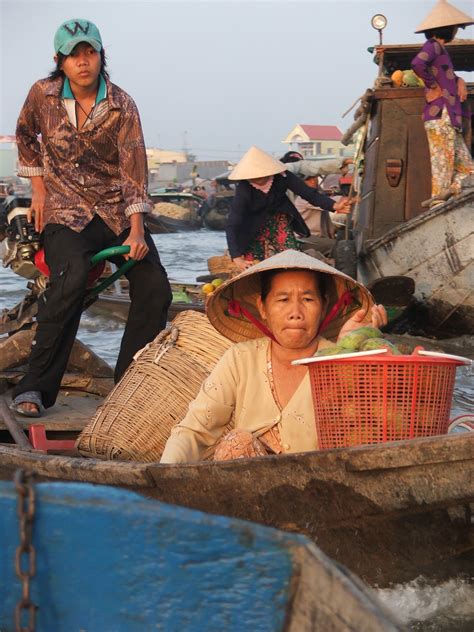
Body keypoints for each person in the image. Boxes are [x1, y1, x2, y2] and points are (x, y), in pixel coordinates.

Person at [11, 18, 172, 417]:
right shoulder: (42, 95)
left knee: (155, 287)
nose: (83, 61)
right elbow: (25, 135)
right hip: (65, 210)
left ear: (101, 56)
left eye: (90, 52)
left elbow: (134, 168)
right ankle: (35, 388)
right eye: (74, 55)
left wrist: (137, 231)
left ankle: (127, 387)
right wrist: (39, 190)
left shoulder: (122, 104)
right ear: (59, 60)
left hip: (117, 210)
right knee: (71, 279)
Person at [160, 249, 387, 464]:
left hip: (320, 486)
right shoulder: (240, 359)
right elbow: (195, 431)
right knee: (238, 443)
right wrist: (163, 476)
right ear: (263, 308)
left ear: (324, 306)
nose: (296, 313)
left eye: (308, 299)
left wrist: (352, 349)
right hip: (248, 489)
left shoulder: (339, 359)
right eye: (283, 300)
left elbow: (370, 429)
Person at [226, 146, 352, 272]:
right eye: (252, 177)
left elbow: (308, 193)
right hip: (252, 227)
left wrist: (333, 206)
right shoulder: (244, 188)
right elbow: (233, 222)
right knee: (255, 265)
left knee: (290, 258)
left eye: (260, 176)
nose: (257, 179)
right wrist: (236, 256)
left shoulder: (283, 176)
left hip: (279, 220)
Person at [411, 0, 474, 206]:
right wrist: (433, 85)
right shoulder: (434, 46)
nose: (456, 31)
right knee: (442, 168)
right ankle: (438, 203)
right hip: (441, 115)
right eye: (455, 27)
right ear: (448, 28)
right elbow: (417, 63)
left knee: (468, 170)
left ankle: (448, 194)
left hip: (449, 118)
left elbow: (447, 77)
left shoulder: (440, 50)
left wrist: (459, 80)